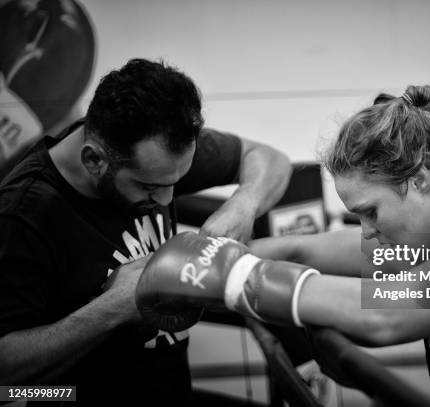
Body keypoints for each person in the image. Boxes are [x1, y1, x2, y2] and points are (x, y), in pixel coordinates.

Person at [136, 85, 430, 406]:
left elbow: (384, 316)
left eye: (371, 211)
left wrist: (228, 276)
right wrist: (191, 256)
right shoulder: (416, 247)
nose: (365, 231)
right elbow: (300, 253)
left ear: (421, 177)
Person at [0, 58, 291, 406]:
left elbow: (272, 160)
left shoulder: (160, 149)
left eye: (176, 181)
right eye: (149, 187)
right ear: (95, 161)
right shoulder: (23, 214)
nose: (166, 199)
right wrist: (112, 309)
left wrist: (244, 205)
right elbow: (6, 379)